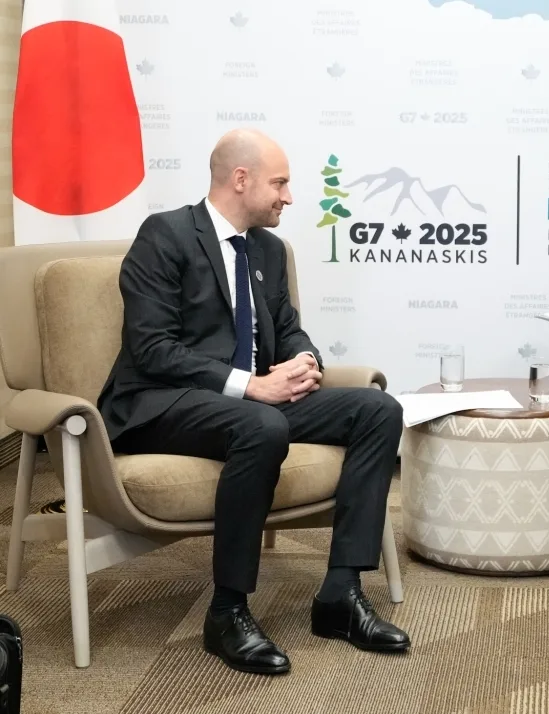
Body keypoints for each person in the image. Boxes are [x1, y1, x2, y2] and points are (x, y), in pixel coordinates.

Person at [97, 128, 411, 675]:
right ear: (240, 180)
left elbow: (289, 329)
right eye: (280, 183)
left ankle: (340, 593)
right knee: (263, 425)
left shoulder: (266, 249)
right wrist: (250, 385)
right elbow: (152, 348)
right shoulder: (165, 235)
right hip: (162, 402)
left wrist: (303, 363)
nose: (289, 197)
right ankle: (227, 610)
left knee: (378, 409)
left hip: (250, 402)